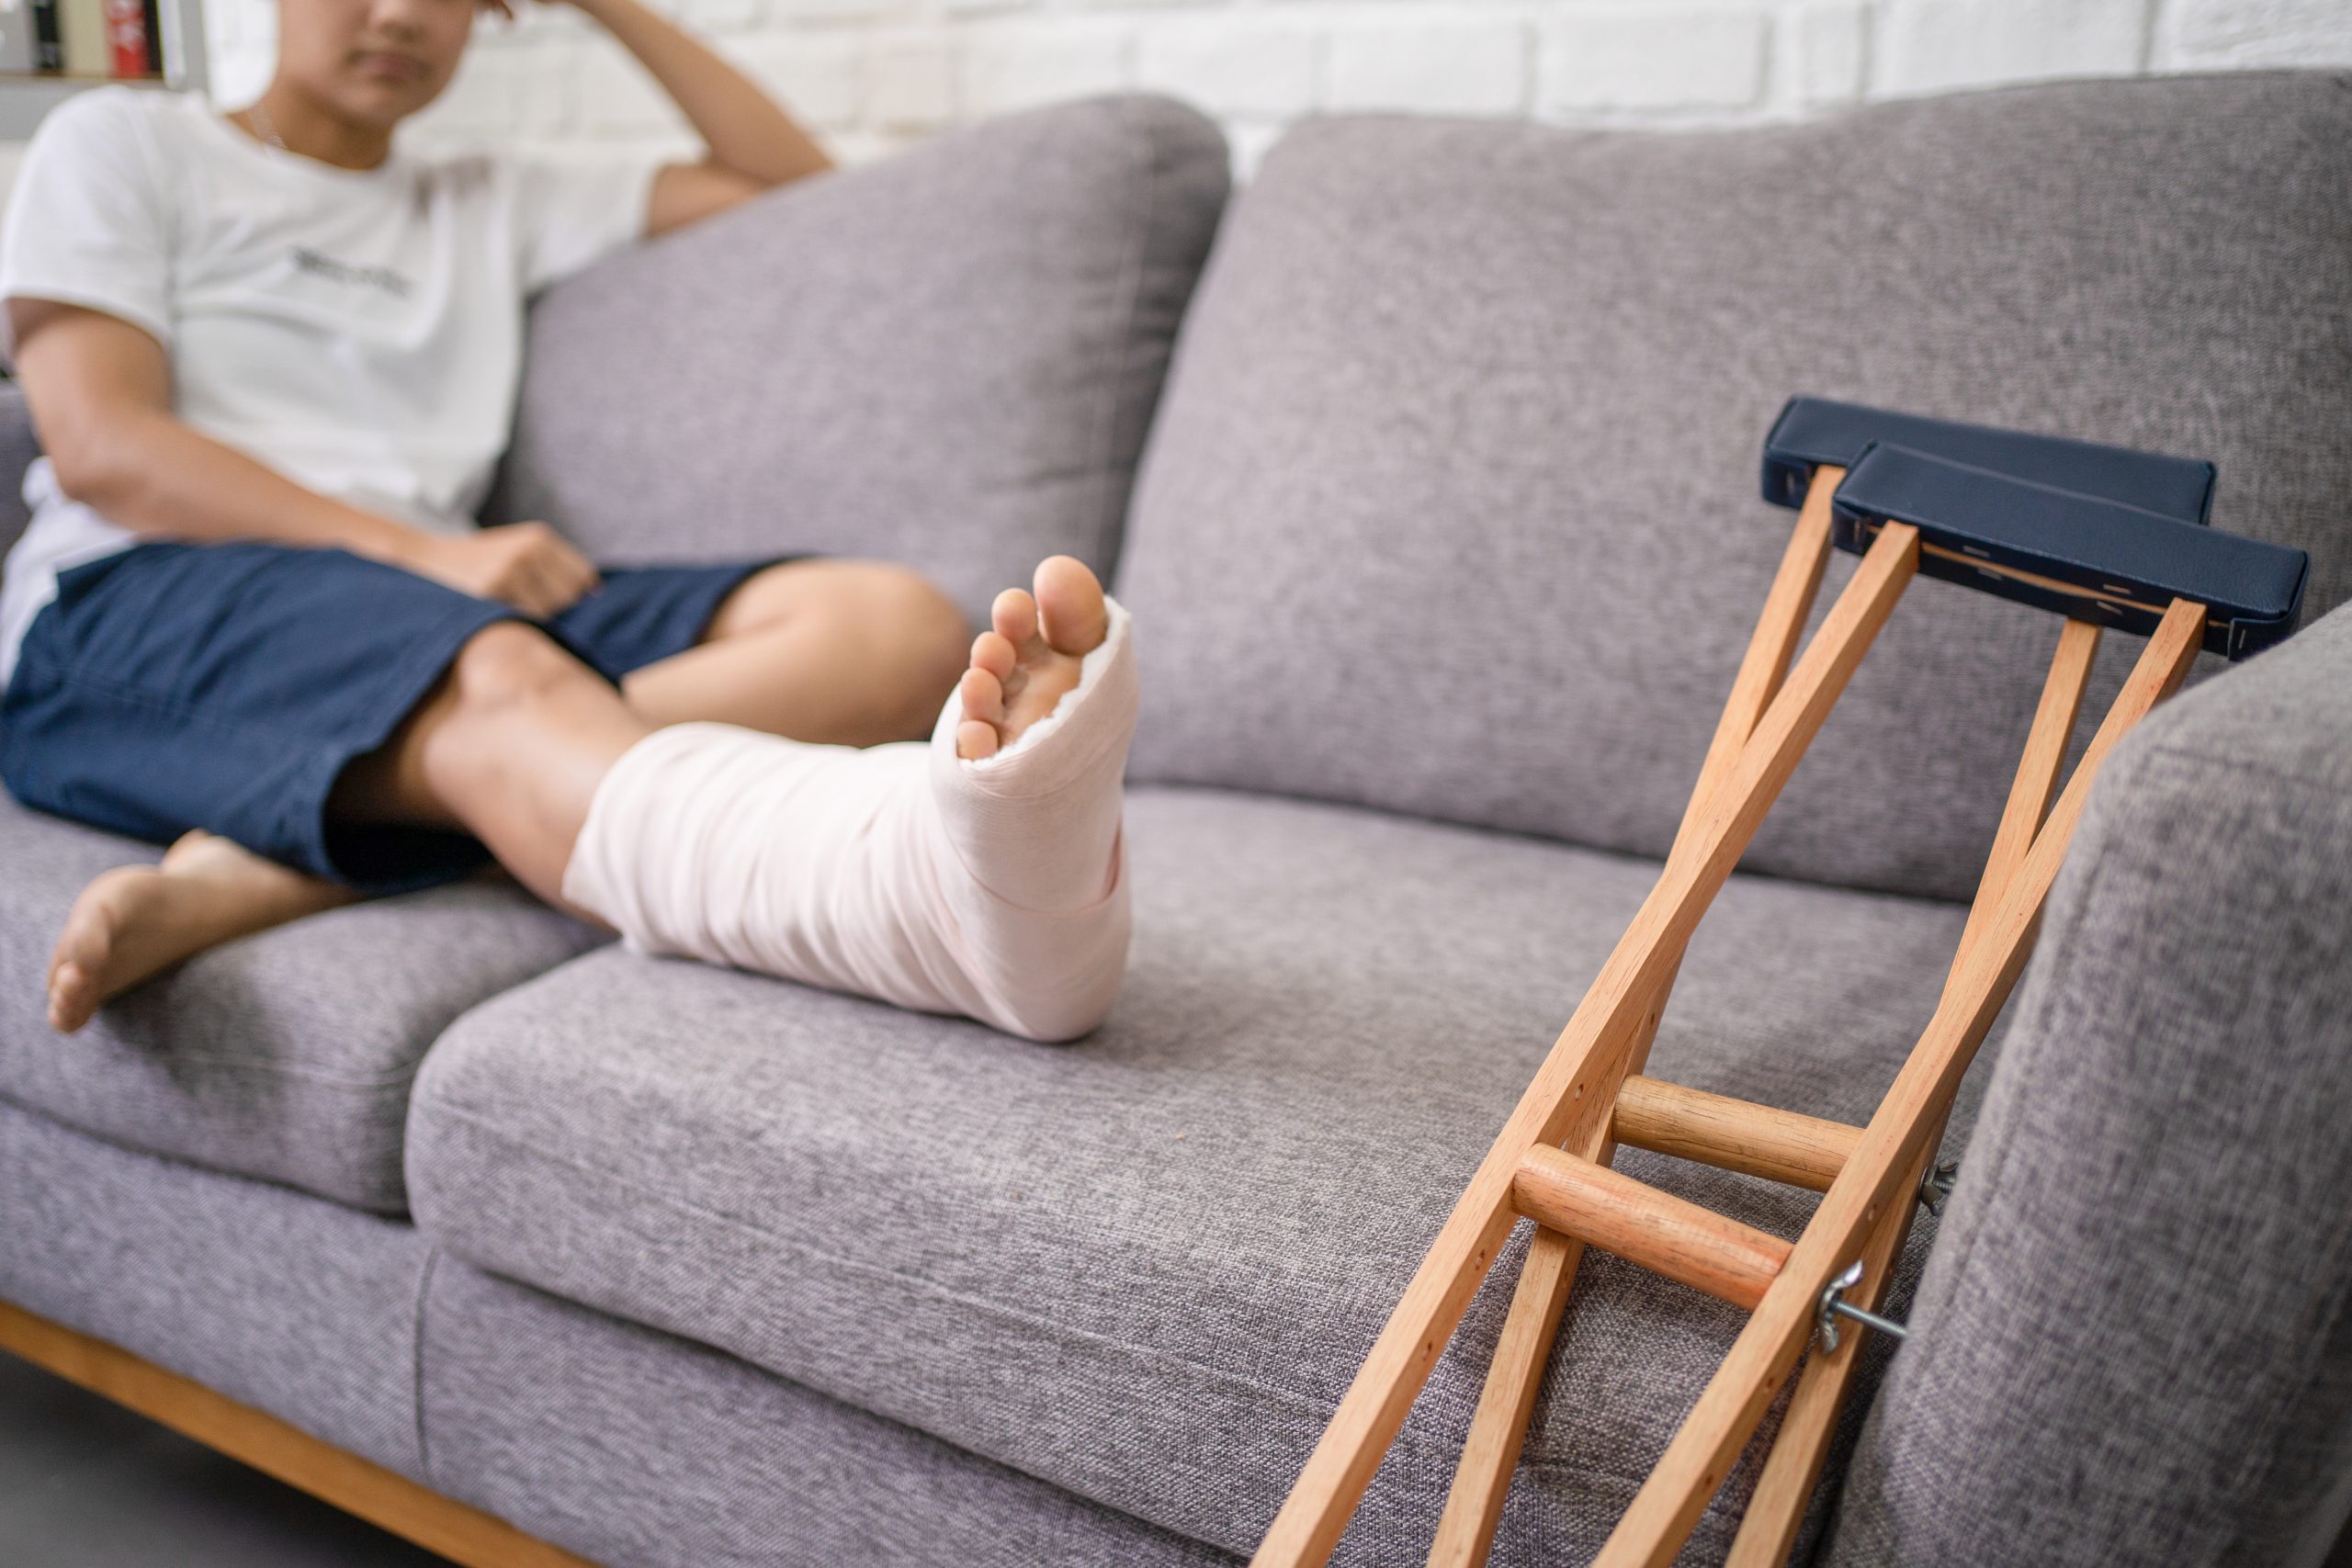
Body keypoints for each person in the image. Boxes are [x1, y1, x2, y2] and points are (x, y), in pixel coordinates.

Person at [0, 0, 1140, 1043]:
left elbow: (814, 202)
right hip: (135, 601)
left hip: (426, 607)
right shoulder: (125, 140)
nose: (402, 15)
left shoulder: (489, 197)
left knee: (885, 624)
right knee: (497, 669)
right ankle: (956, 930)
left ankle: (297, 857)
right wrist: (422, 551)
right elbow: (103, 443)